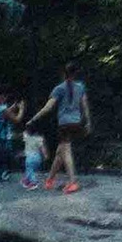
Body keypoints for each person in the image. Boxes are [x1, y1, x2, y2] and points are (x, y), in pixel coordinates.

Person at [31, 63, 91, 192]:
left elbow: (48, 107)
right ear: (76, 74)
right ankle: (50, 180)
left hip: (64, 124)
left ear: (64, 74)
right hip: (77, 123)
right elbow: (84, 105)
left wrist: (34, 118)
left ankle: (72, 181)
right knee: (60, 152)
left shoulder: (59, 88)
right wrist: (88, 122)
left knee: (66, 151)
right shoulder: (80, 87)